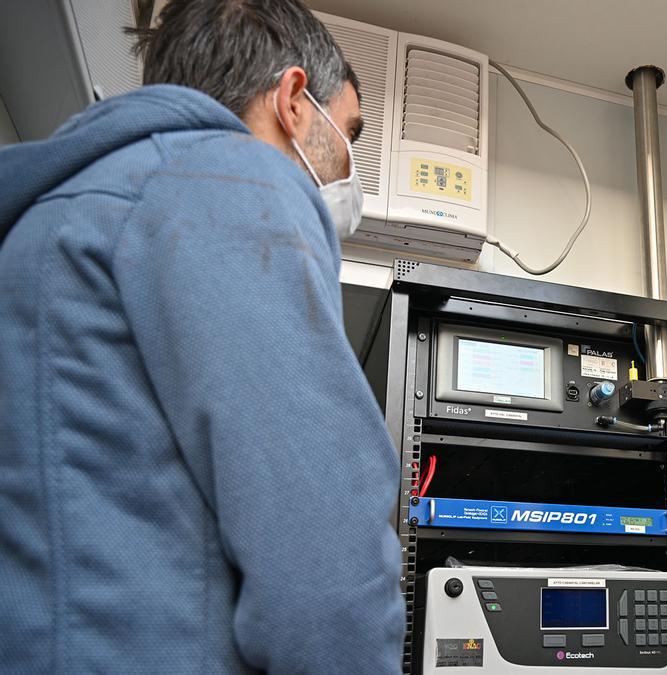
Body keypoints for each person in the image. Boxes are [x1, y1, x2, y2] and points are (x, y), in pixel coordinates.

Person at [0, 0, 405, 672]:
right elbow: (327, 565)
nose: (345, 174)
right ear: (295, 101)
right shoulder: (237, 182)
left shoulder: (49, 221)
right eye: (350, 135)